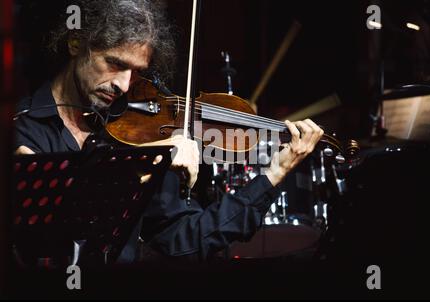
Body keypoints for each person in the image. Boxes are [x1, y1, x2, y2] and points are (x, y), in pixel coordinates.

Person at [14, 0, 324, 264]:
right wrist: (153, 159)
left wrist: (271, 177)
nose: (123, 85)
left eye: (136, 72)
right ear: (76, 44)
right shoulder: (22, 128)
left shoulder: (136, 133)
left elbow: (183, 242)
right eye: (114, 63)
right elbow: (58, 225)